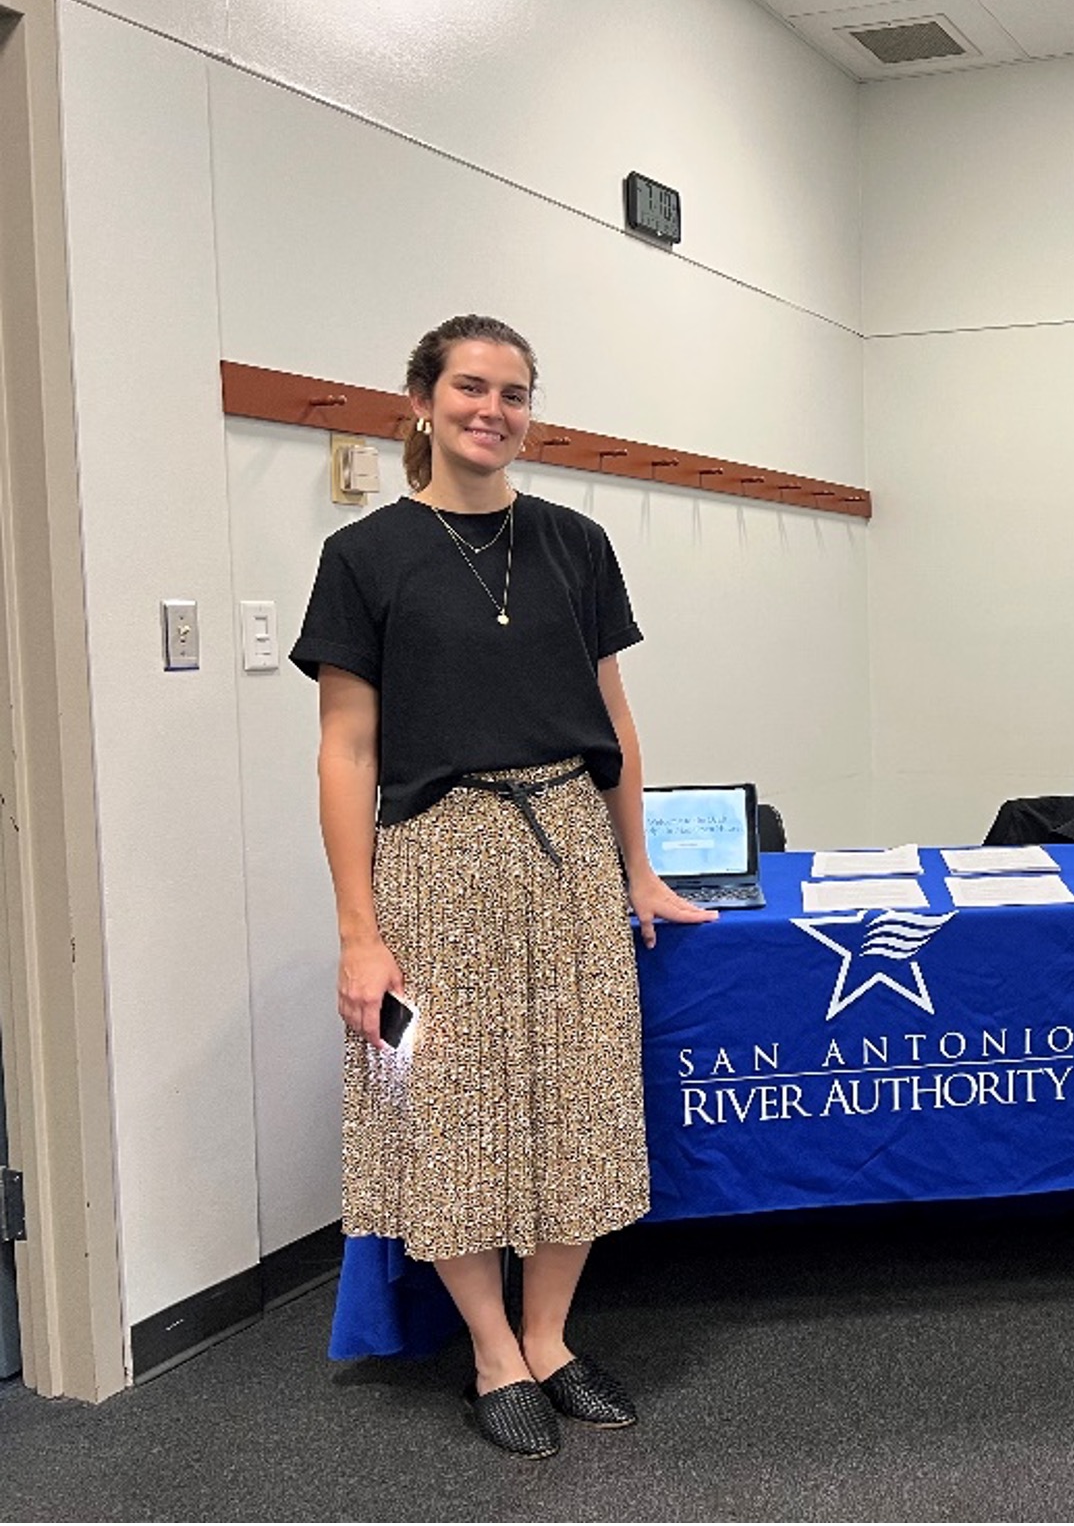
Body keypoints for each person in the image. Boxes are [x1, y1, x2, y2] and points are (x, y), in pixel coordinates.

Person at [290, 315, 713, 1457]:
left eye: (515, 393)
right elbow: (345, 751)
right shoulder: (366, 557)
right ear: (422, 400)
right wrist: (357, 934)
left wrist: (640, 868)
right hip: (435, 861)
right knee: (449, 1111)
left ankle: (553, 1338)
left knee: (578, 1102)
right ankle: (490, 1348)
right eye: (471, 387)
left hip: (568, 846)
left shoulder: (575, 542)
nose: (495, 409)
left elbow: (613, 720)